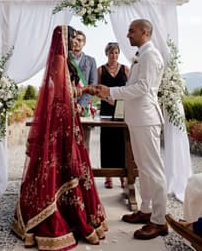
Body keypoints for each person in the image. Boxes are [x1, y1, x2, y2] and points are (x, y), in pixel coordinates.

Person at [12, 26, 107, 249]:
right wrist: (87, 90)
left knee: (69, 162)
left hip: (67, 115)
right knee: (60, 163)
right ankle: (57, 214)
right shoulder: (58, 59)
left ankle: (70, 211)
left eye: (76, 38)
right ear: (63, 39)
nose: (73, 41)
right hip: (61, 117)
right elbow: (62, 92)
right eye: (71, 38)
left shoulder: (62, 59)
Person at [86, 19, 168, 240]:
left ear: (144, 32)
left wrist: (111, 92)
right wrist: (107, 95)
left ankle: (159, 221)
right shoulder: (141, 54)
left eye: (131, 30)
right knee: (143, 167)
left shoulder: (150, 55)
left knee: (153, 169)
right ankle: (146, 209)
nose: (128, 34)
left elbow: (142, 89)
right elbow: (133, 89)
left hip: (147, 118)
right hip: (137, 118)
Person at [96, 42, 130, 190]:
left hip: (121, 109)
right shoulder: (100, 70)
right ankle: (108, 177)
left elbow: (129, 89)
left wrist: (119, 99)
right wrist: (107, 99)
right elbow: (97, 90)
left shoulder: (125, 69)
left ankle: (122, 176)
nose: (114, 55)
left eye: (116, 52)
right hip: (106, 109)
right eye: (111, 52)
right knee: (107, 143)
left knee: (121, 143)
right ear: (106, 54)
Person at [69, 30, 97, 115]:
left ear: (84, 43)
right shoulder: (64, 58)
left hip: (84, 107)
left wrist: (81, 105)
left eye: (80, 40)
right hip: (68, 104)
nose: (77, 42)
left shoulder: (91, 61)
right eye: (75, 39)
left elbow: (93, 85)